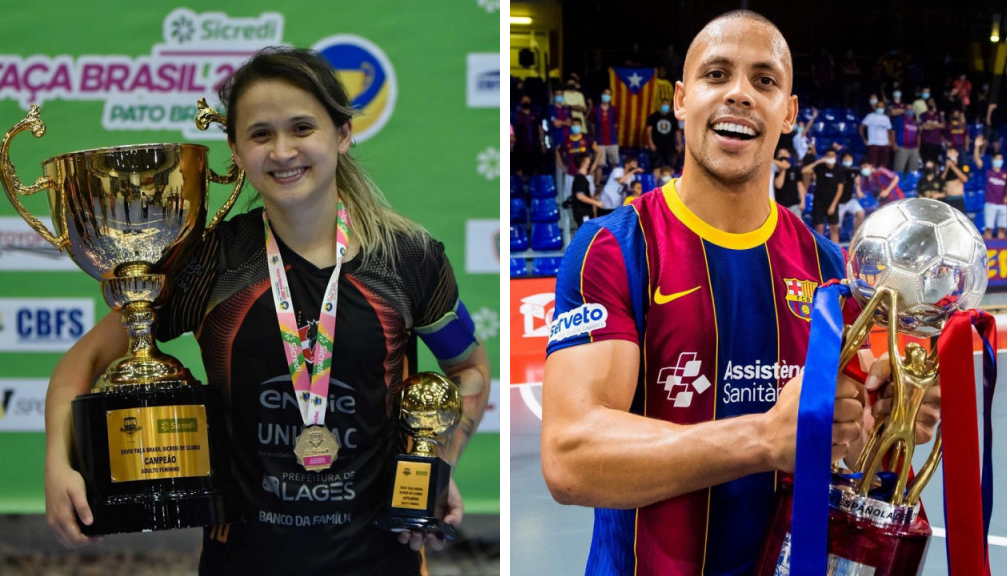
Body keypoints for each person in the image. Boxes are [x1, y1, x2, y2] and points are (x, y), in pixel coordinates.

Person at [43, 48, 491, 576]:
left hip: (382, 561)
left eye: (302, 127)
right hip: (243, 563)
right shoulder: (210, 261)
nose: (282, 151)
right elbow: (84, 362)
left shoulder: (408, 257)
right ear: (234, 150)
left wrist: (437, 462)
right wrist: (57, 461)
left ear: (342, 134)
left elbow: (471, 370)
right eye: (260, 134)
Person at [541, 11, 938, 576]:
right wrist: (761, 438)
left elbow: (841, 450)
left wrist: (886, 417)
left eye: (765, 81)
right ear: (681, 100)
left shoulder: (827, 267)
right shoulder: (615, 247)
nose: (740, 95)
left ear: (790, 113)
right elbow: (570, 456)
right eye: (717, 74)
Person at [802, 148, 845, 242]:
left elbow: (840, 190)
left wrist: (833, 206)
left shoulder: (839, 170)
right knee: (819, 228)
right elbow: (804, 170)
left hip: (832, 202)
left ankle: (835, 252)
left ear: (835, 157)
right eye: (828, 156)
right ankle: (821, 252)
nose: (830, 158)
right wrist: (819, 161)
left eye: (832, 155)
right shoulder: (820, 167)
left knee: (834, 229)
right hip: (819, 202)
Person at [974, 135, 1007, 239]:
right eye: (997, 159)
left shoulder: (1005, 173)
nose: (999, 161)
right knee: (989, 229)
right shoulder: (988, 172)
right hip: (990, 203)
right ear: (993, 160)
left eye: (1001, 159)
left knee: (1002, 229)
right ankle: (988, 252)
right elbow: (977, 160)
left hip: (1003, 205)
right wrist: (976, 146)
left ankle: (1003, 253)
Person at [591, 88, 620, 180]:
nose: (606, 96)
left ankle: (614, 183)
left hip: (612, 140)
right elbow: (592, 125)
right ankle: (597, 185)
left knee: (614, 164)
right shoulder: (595, 110)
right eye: (605, 93)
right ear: (601, 95)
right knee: (599, 165)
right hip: (599, 141)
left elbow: (616, 124)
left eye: (608, 94)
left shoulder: (613, 110)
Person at [645, 98, 679, 175]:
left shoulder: (672, 117)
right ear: (660, 105)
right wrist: (651, 143)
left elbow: (677, 132)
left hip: (670, 146)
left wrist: (679, 144)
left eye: (667, 105)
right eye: (664, 104)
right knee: (657, 167)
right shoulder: (654, 116)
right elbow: (648, 131)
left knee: (671, 167)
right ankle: (656, 184)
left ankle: (670, 185)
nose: (665, 106)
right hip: (657, 146)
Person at [837, 151, 865, 237]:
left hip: (849, 200)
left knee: (861, 213)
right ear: (842, 160)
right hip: (838, 202)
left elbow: (858, 187)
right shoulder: (837, 171)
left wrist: (858, 188)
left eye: (849, 159)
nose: (848, 160)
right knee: (837, 226)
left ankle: (855, 237)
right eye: (845, 159)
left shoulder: (854, 172)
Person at [860, 98, 893, 169]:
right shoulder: (870, 116)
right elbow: (861, 128)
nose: (880, 108)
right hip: (873, 143)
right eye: (879, 107)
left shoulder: (886, 118)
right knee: (872, 165)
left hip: (884, 144)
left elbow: (889, 131)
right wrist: (864, 139)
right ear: (875, 107)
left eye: (882, 107)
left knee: (883, 165)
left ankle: (881, 179)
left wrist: (890, 141)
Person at [571, 153, 603, 225]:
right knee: (586, 234)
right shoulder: (580, 179)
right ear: (583, 162)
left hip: (585, 212)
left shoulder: (581, 178)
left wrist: (593, 198)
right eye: (587, 158)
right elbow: (580, 196)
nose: (589, 160)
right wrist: (596, 203)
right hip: (583, 213)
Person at [773, 148, 805, 217]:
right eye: (780, 154)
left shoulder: (795, 169)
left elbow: (800, 185)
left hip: (794, 204)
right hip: (781, 206)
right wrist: (784, 169)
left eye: (785, 153)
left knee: (796, 227)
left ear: (789, 155)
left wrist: (803, 201)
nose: (783, 155)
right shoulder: (775, 171)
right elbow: (778, 185)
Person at [918, 98, 945, 164]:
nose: (931, 104)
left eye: (933, 102)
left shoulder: (938, 115)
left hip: (937, 143)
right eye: (930, 102)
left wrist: (931, 125)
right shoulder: (923, 115)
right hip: (926, 142)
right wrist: (936, 125)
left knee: (937, 162)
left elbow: (943, 125)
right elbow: (924, 127)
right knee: (927, 162)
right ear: (927, 104)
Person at [941, 147, 969, 212]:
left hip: (958, 199)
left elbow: (965, 179)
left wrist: (953, 166)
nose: (949, 154)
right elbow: (941, 180)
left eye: (951, 152)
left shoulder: (963, 166)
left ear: (957, 153)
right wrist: (947, 167)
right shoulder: (944, 167)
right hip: (947, 199)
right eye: (948, 152)